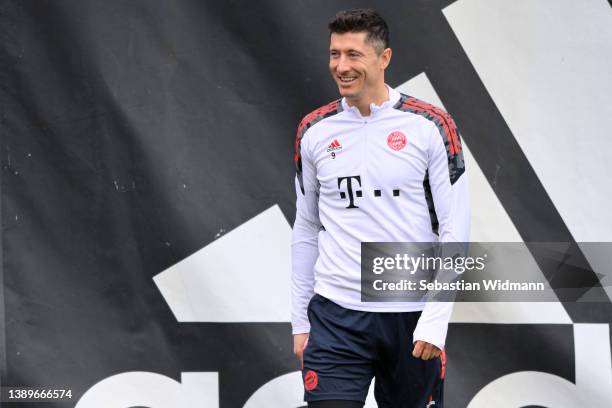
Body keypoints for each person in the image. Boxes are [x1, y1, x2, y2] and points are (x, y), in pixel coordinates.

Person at [291, 8, 470, 408]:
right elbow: (305, 229)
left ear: (384, 58)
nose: (341, 66)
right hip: (335, 316)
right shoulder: (313, 131)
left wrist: (435, 320)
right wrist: (301, 319)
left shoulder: (431, 125)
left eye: (353, 54)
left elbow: (455, 231)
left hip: (409, 315)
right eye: (335, 54)